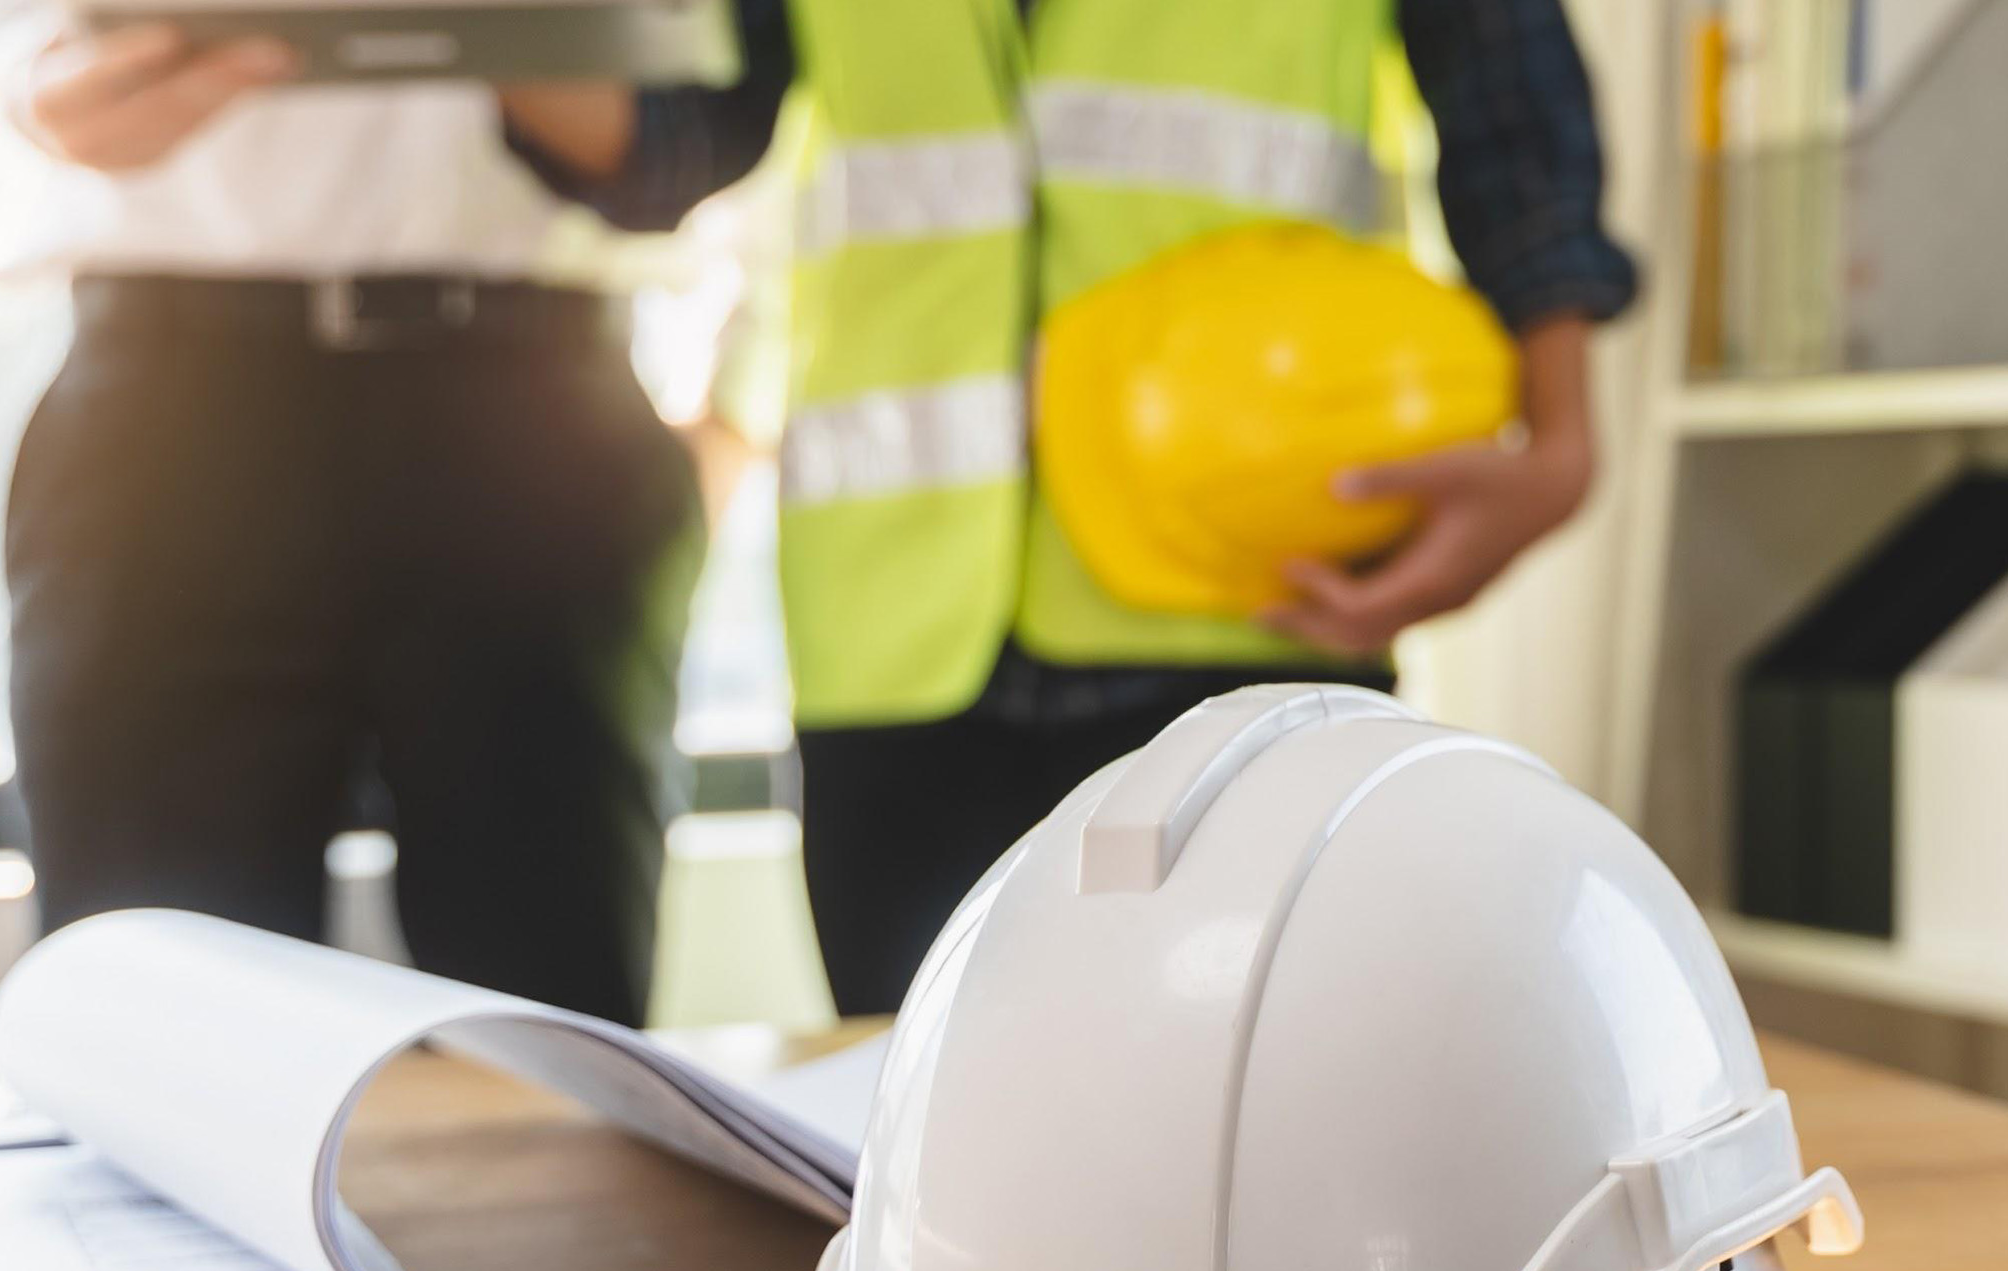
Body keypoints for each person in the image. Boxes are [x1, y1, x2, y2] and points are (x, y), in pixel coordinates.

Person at [511, 0, 1638, 1014]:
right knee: (931, 1159)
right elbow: (673, 143)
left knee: (1266, 1142)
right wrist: (438, 30)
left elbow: (1503, 78)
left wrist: (1560, 441)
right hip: (898, 640)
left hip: (1246, 594)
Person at [0, 8, 704, 1023]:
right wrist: (47, 70)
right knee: (154, 1027)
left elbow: (703, 123)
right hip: (172, 413)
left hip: (533, 422)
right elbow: (36, 58)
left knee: (553, 1041)